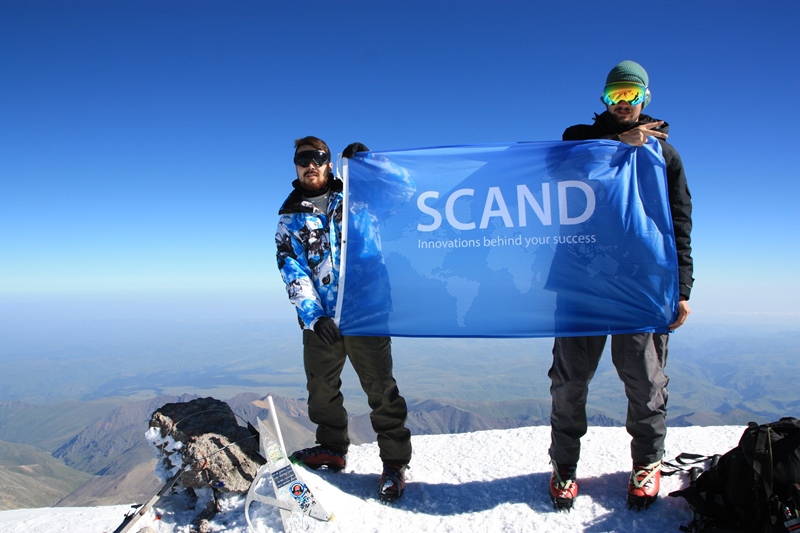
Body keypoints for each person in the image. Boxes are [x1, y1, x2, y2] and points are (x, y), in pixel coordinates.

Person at [547, 60, 694, 510]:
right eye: (615, 96)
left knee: (645, 381)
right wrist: (616, 143)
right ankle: (564, 466)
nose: (624, 104)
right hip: (579, 280)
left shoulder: (664, 155)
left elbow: (680, 222)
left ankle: (647, 464)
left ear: (645, 97)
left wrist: (683, 288)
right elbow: (557, 158)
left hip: (641, 283)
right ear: (604, 101)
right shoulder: (580, 140)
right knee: (569, 382)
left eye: (632, 95)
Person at [275, 136, 412, 502]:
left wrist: (372, 163)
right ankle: (333, 449)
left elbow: (405, 191)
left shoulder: (359, 194)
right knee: (321, 391)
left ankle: (395, 464)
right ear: (296, 165)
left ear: (329, 162)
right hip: (322, 320)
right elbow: (292, 267)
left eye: (317, 157)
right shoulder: (289, 216)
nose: (310, 165)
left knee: (381, 391)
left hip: (367, 312)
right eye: (302, 159)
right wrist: (314, 316)